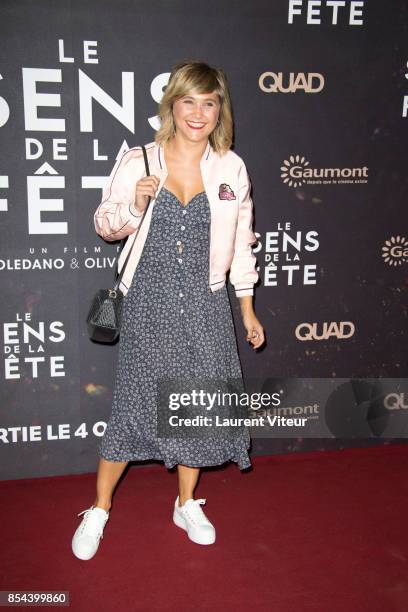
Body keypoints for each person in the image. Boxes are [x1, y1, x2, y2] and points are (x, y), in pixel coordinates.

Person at [72, 60, 265, 560]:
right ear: (172, 106)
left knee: (195, 409)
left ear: (220, 109)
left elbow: (242, 243)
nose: (198, 113)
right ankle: (99, 508)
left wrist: (246, 308)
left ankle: (185, 503)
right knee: (135, 404)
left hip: (205, 303)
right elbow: (105, 223)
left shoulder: (231, 167)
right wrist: (135, 206)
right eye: (188, 102)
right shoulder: (140, 159)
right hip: (150, 301)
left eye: (209, 103)